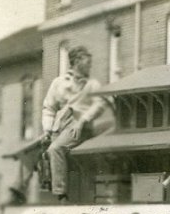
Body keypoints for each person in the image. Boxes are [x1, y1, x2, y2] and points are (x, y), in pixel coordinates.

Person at [9, 46, 110, 203]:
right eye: (87, 62)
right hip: (59, 126)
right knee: (30, 152)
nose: (90, 66)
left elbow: (100, 104)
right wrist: (48, 130)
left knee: (56, 149)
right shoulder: (59, 83)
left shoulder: (93, 84)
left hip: (80, 126)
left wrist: (83, 121)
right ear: (76, 62)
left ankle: (61, 193)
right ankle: (17, 191)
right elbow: (49, 107)